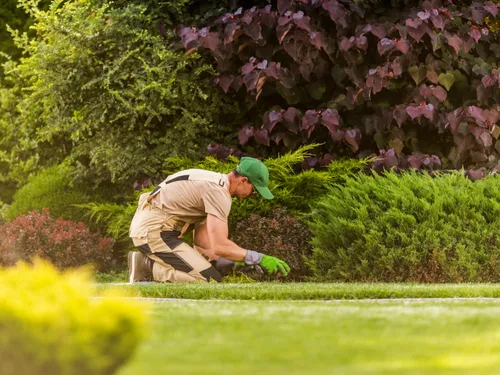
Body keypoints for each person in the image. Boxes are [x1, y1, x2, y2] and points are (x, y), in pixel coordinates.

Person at [128, 157, 291, 283]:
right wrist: (257, 258)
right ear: (243, 181)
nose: (252, 196)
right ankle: (147, 266)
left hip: (157, 229)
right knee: (207, 279)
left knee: (212, 274)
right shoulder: (219, 193)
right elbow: (220, 246)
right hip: (155, 232)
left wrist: (235, 261)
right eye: (254, 191)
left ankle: (148, 263)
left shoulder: (213, 184)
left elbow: (202, 241)